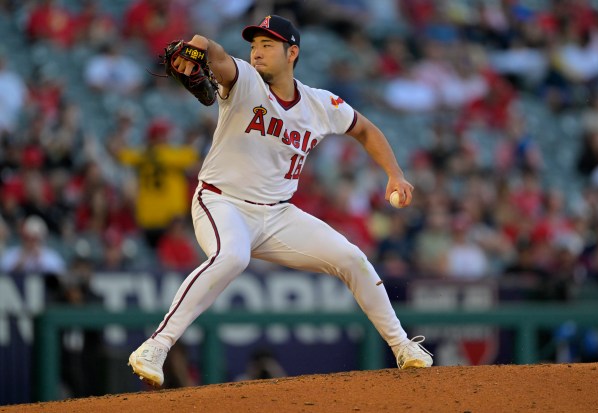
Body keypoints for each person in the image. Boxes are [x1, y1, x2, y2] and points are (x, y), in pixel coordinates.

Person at [128, 14, 433, 387]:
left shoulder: (320, 104)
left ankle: (403, 347)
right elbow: (219, 57)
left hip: (277, 216)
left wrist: (394, 173)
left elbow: (365, 130)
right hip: (222, 203)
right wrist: (201, 44)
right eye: (254, 45)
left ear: (293, 53)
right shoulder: (244, 82)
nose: (256, 52)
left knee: (352, 258)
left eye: (267, 45)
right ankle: (156, 346)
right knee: (232, 256)